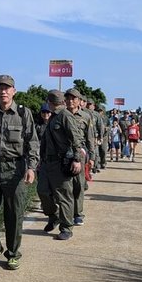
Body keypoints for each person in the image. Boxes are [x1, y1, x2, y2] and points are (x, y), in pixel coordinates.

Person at [0, 75, 39, 270]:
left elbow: (32, 142)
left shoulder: (23, 113)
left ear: (14, 91)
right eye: (0, 88)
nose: (3, 91)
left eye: (7, 88)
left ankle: (13, 253)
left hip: (16, 169)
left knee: (13, 214)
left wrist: (31, 167)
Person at [36, 89, 85, 240]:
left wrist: (76, 159)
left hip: (61, 162)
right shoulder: (53, 117)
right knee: (42, 191)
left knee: (64, 195)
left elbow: (76, 139)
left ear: (50, 103)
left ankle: (66, 227)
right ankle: (53, 215)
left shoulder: (65, 116)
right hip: (47, 162)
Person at [65, 88, 93, 226]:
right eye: (68, 98)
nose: (70, 101)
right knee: (64, 185)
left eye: (73, 98)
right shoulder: (60, 115)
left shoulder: (85, 117)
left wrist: (92, 157)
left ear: (79, 101)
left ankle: (78, 213)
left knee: (78, 185)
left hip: (79, 154)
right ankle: (65, 213)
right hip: (63, 154)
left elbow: (89, 138)